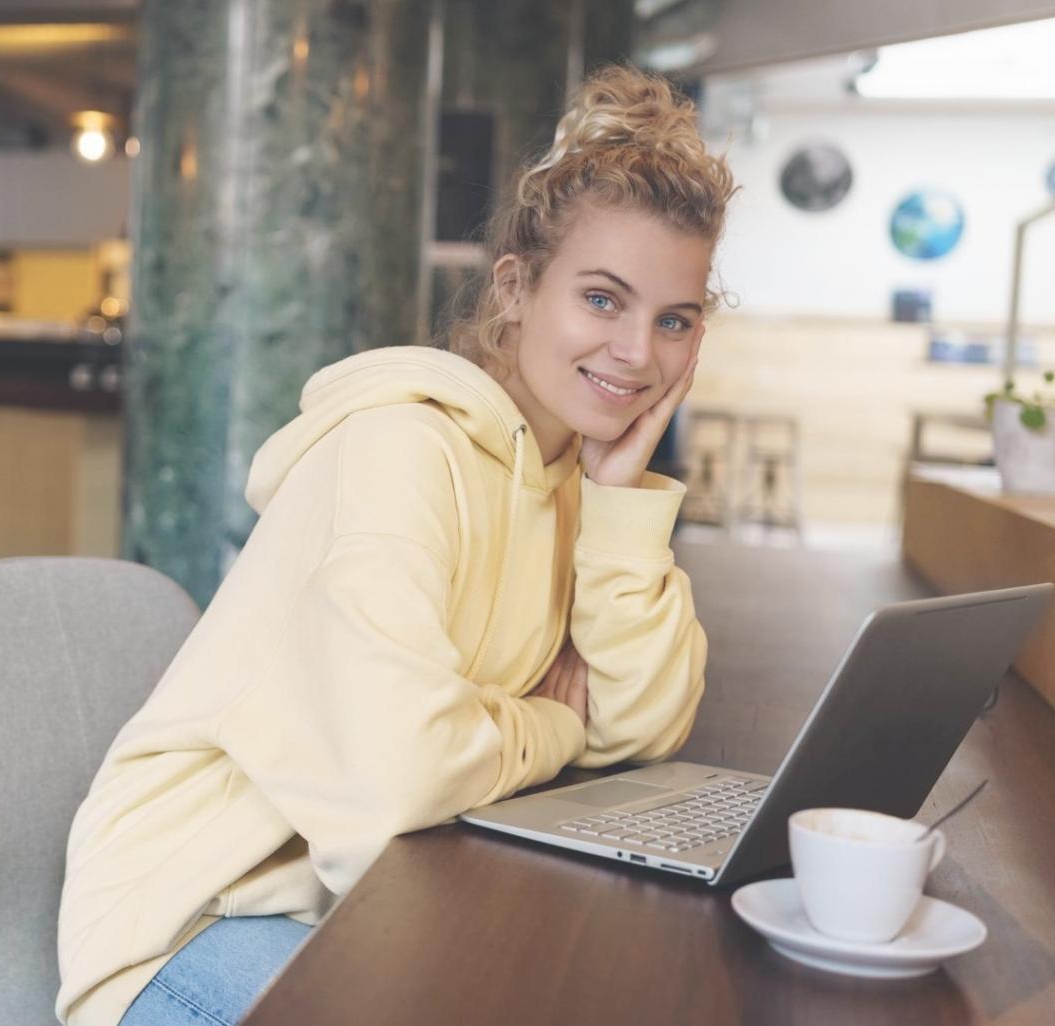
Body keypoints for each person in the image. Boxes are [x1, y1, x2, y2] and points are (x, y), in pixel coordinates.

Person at [56, 63, 739, 1026]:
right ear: (514, 289)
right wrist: (552, 726)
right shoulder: (398, 448)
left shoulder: (579, 481)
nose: (637, 352)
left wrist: (618, 496)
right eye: (600, 299)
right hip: (193, 926)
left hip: (370, 905)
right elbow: (399, 780)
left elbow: (642, 728)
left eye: (672, 320)